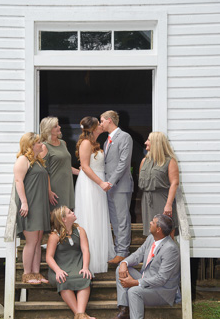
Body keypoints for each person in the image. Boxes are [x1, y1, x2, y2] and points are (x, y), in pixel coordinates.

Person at [106, 214, 180, 319]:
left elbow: (161, 279)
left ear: (158, 229)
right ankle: (125, 310)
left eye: (152, 222)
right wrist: (124, 263)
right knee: (120, 270)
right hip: (148, 281)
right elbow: (138, 255)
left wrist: (135, 282)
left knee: (134, 291)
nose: (149, 222)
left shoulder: (170, 249)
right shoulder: (151, 238)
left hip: (162, 291)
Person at [74, 117, 115, 274]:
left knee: (98, 218)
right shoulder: (86, 143)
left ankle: (100, 252)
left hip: (97, 183)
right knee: (90, 217)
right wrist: (100, 183)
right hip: (90, 184)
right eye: (98, 123)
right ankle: (89, 259)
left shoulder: (96, 143)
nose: (101, 124)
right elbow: (85, 166)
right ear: (93, 128)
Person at [46, 206, 97, 319]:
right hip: (60, 267)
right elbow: (49, 257)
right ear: (63, 219)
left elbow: (85, 250)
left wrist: (85, 267)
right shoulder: (54, 235)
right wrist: (58, 271)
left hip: (77, 264)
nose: (73, 213)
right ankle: (82, 316)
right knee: (64, 279)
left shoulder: (80, 231)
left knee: (84, 277)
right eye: (70, 212)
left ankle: (80, 316)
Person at [14, 132, 50, 284]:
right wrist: (24, 202)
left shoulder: (38, 160)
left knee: (38, 241)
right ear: (30, 145)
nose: (42, 145)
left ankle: (36, 273)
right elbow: (18, 181)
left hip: (40, 205)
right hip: (30, 205)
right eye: (38, 143)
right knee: (31, 241)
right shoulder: (23, 159)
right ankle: (27, 274)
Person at [100, 110, 133, 264]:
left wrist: (110, 182)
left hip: (120, 186)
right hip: (110, 187)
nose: (100, 124)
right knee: (114, 220)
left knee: (122, 219)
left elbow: (123, 163)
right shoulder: (107, 141)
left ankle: (123, 252)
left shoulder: (124, 137)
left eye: (101, 121)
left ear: (109, 120)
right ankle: (117, 250)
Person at [139, 131, 179, 237]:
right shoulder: (144, 161)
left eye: (148, 140)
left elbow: (174, 183)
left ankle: (166, 254)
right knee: (150, 233)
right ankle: (153, 253)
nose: (145, 142)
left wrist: (169, 205)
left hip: (162, 199)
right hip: (147, 200)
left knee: (165, 233)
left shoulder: (170, 161)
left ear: (156, 143)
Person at [40, 116, 79, 211]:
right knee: (57, 217)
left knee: (67, 214)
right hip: (54, 188)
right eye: (55, 126)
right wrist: (48, 191)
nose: (59, 127)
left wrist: (83, 173)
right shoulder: (44, 147)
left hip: (67, 186)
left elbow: (66, 166)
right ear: (48, 130)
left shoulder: (63, 143)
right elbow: (44, 171)